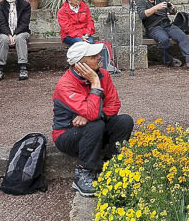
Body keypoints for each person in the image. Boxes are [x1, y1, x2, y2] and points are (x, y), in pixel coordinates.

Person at [52, 41, 134, 197]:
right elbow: (92, 113)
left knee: (125, 121)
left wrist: (92, 116)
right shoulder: (65, 85)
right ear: (80, 64)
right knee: (95, 125)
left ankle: (112, 165)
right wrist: (95, 83)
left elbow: (114, 105)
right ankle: (84, 173)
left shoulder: (104, 74)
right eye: (93, 56)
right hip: (67, 135)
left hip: (94, 128)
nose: (99, 57)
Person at [136, 0, 189, 70]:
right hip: (153, 27)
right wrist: (156, 7)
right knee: (164, 40)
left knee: (182, 36)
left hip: (167, 24)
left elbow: (172, 13)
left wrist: (173, 8)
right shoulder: (141, 2)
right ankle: (169, 60)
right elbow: (142, 15)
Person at [57, 0, 112, 70]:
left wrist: (87, 33)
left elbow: (90, 22)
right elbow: (66, 28)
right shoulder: (62, 11)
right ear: (69, 0)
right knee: (81, 44)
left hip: (84, 34)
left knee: (91, 42)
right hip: (69, 35)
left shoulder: (84, 7)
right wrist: (80, 36)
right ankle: (80, 67)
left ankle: (92, 66)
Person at [0, 0, 31, 81]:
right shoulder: (1, 5)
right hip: (6, 32)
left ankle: (23, 67)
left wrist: (15, 34)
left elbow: (24, 23)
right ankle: (0, 68)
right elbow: (1, 23)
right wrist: (9, 34)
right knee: (3, 39)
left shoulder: (25, 4)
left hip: (21, 31)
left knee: (20, 38)